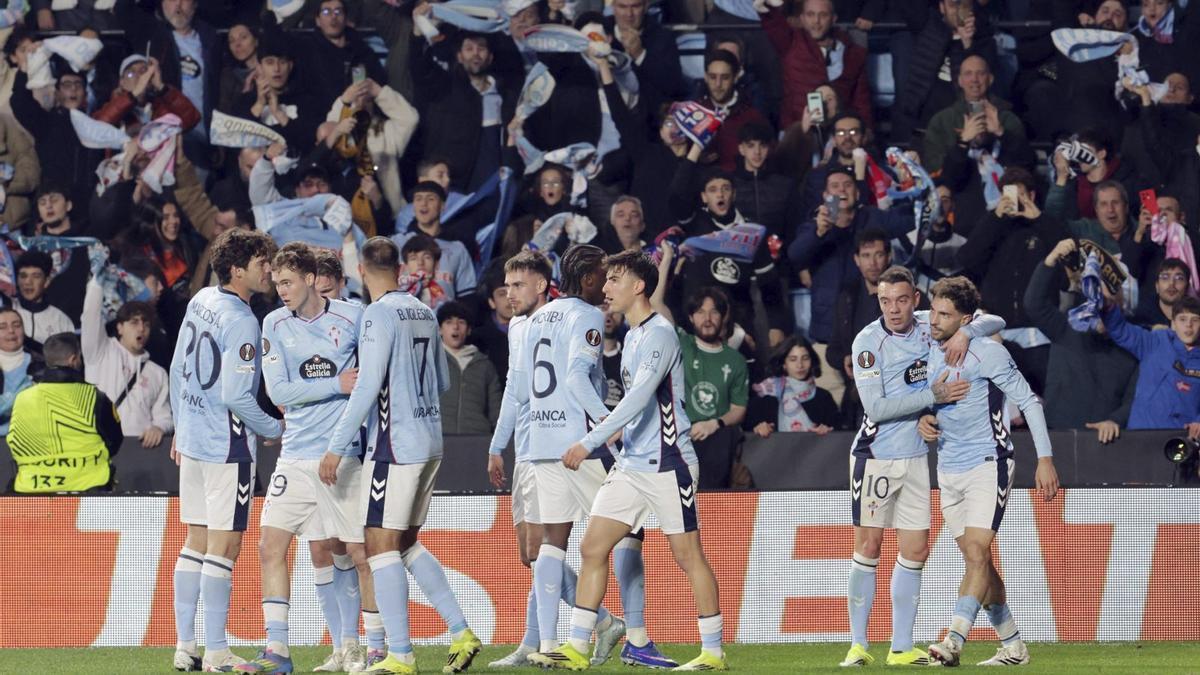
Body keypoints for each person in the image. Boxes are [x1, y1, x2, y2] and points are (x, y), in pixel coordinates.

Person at [531, 251, 725, 671]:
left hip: (669, 462)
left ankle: (713, 652)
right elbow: (637, 405)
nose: (605, 287)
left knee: (688, 555)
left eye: (614, 279)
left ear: (638, 286)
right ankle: (577, 647)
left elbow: (638, 397)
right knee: (592, 546)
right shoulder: (634, 335)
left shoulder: (660, 334)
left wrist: (590, 441)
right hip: (633, 465)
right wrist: (617, 431)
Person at [319, 237, 482, 675]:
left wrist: (336, 447)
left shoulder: (377, 313)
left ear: (361, 270)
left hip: (395, 446)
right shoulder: (424, 310)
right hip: (430, 439)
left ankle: (401, 655)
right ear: (400, 267)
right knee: (404, 542)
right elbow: (442, 382)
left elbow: (367, 385)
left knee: (378, 544)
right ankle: (460, 631)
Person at [842, 265, 1003, 668]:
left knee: (915, 550)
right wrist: (933, 397)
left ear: (915, 299)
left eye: (901, 300)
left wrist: (967, 332)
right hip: (876, 456)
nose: (893, 309)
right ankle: (858, 645)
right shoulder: (868, 342)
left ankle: (900, 647)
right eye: (884, 301)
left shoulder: (928, 326)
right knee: (869, 547)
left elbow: (996, 320)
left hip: (916, 457)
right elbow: (876, 408)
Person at [512, 244, 665, 666]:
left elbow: (522, 387)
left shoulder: (537, 318)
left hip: (541, 441)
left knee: (552, 543)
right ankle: (637, 637)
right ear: (588, 279)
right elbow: (577, 377)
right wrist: (607, 423)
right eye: (605, 275)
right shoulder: (588, 316)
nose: (609, 284)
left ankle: (547, 646)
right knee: (630, 531)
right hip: (581, 443)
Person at [237, 243, 376, 675]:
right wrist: (337, 383)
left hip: (341, 455)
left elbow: (371, 380)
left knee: (353, 552)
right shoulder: (274, 323)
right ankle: (277, 650)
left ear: (311, 280)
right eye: (277, 283)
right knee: (269, 546)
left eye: (288, 282)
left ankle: (363, 647)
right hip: (295, 455)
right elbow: (278, 391)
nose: (280, 290)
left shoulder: (354, 318)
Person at [919, 276, 1059, 667]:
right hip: (948, 467)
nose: (933, 319)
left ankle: (953, 641)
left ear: (965, 319)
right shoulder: (928, 343)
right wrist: (923, 418)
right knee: (976, 559)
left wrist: (1045, 459)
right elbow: (928, 401)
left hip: (988, 462)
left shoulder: (988, 353)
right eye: (933, 311)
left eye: (945, 314)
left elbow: (1029, 402)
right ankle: (1014, 647)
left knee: (978, 552)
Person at [167, 228, 283, 672]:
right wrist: (273, 427)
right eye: (261, 263)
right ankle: (217, 651)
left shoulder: (201, 300)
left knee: (194, 542)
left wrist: (181, 427)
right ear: (237, 270)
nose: (268, 270)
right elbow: (237, 397)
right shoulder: (243, 321)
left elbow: (178, 367)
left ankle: (186, 647)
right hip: (227, 447)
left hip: (194, 440)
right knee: (224, 547)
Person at [485, 251, 561, 668]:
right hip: (525, 449)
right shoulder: (516, 326)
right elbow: (515, 389)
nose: (509, 294)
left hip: (552, 449)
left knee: (541, 548)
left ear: (541, 285)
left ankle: (595, 623)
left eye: (518, 285)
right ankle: (533, 642)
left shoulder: (561, 320)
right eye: (506, 286)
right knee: (528, 553)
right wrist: (498, 445)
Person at [1023, 239, 1139, 440]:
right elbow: (1034, 304)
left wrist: (1115, 420)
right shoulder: (1068, 326)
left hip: (1104, 441)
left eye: (1109, 298)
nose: (1101, 303)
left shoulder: (1134, 344)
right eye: (1097, 295)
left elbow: (1134, 397)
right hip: (1056, 434)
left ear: (1122, 303)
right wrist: (1051, 260)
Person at [6, 332, 122, 494]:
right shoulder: (94, 397)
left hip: (31, 492)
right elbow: (114, 441)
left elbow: (14, 441)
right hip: (88, 491)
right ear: (73, 360)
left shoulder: (22, 398)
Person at [1101, 278, 1200, 436]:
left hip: (1180, 440)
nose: (1188, 325)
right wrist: (1109, 306)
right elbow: (1121, 330)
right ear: (1173, 324)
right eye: (1182, 319)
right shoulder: (1155, 342)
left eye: (1195, 320)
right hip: (1141, 436)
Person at [81, 277, 172, 447]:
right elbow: (90, 318)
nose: (141, 328)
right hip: (98, 446)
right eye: (134, 322)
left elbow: (164, 415)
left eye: (146, 324)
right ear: (120, 327)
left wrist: (159, 427)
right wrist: (95, 284)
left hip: (138, 451)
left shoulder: (158, 373)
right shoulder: (101, 351)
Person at [760, 0, 873, 129]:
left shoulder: (853, 53)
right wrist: (768, 7)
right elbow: (773, 23)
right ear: (802, 18)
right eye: (810, 15)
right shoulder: (790, 42)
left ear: (833, 19)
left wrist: (867, 130)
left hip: (838, 132)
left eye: (823, 15)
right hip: (798, 130)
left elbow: (861, 100)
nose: (816, 21)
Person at [678, 287, 749, 490]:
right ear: (691, 317)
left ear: (724, 317)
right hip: (681, 434)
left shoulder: (735, 360)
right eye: (700, 312)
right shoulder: (681, 345)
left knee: (724, 437)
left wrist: (714, 424)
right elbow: (656, 305)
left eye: (714, 312)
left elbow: (738, 409)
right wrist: (665, 266)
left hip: (716, 437)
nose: (707, 319)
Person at [391, 181, 478, 300]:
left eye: (430, 199)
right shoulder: (395, 243)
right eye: (418, 199)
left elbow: (467, 296)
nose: (423, 204)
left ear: (442, 206)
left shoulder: (457, 248)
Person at [748, 335, 839, 437]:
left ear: (812, 361)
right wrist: (759, 429)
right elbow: (749, 430)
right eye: (793, 359)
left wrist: (828, 432)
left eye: (805, 358)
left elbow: (839, 434)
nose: (800, 365)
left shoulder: (823, 397)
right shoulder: (766, 397)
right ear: (784, 364)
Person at [438, 301, 503, 434]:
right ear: (439, 329)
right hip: (438, 437)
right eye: (449, 322)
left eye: (461, 322)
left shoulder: (485, 365)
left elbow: (496, 411)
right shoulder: (431, 362)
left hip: (477, 439)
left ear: (469, 330)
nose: (455, 327)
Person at [12, 251, 75, 345]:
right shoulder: (7, 308)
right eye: (23, 276)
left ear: (46, 282)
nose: (28, 282)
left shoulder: (61, 320)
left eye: (36, 276)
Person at [0, 308, 38, 436]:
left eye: (16, 325)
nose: (11, 331)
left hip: (33, 436)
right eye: (2, 327)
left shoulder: (40, 363)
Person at [1134, 258, 1191, 329]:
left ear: (1187, 287)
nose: (1171, 283)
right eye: (1165, 277)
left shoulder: (1196, 315)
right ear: (1157, 286)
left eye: (1179, 278)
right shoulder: (1140, 317)